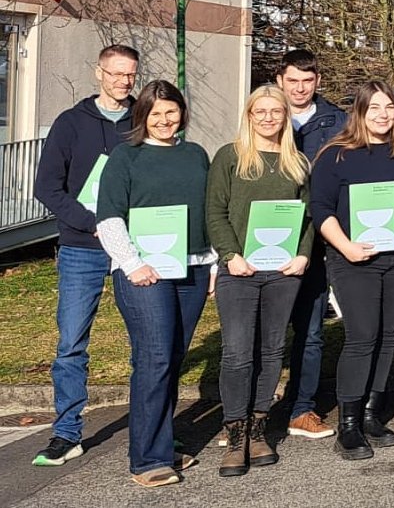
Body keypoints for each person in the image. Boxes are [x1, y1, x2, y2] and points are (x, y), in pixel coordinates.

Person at [94, 80, 213, 487]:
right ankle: (147, 460)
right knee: (155, 358)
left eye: (171, 111)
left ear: (182, 112)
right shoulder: (125, 157)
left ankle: (162, 443)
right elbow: (109, 217)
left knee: (172, 359)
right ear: (142, 116)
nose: (164, 120)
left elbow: (208, 211)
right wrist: (131, 263)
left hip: (193, 268)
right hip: (145, 272)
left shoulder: (195, 155)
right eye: (155, 113)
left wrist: (213, 262)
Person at [32, 44, 138, 467]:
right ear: (99, 73)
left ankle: (154, 429)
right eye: (116, 74)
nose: (123, 82)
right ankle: (66, 433)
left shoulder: (144, 119)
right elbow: (47, 187)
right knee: (71, 344)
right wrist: (93, 223)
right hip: (83, 246)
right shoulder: (71, 123)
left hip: (135, 247)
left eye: (130, 74)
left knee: (148, 343)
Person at [310, 82, 394, 460]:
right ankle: (349, 424)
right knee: (361, 337)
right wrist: (345, 246)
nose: (383, 115)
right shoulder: (336, 156)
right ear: (359, 111)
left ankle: (372, 414)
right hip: (354, 259)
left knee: (389, 336)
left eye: (389, 107)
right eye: (374, 107)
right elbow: (321, 209)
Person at [207, 85, 312, 476]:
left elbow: (308, 215)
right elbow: (215, 212)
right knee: (237, 351)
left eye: (276, 112)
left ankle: (257, 428)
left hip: (282, 272)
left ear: (286, 116)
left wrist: (303, 254)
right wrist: (230, 255)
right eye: (260, 112)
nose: (268, 118)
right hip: (240, 271)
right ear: (249, 115)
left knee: (272, 350)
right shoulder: (230, 157)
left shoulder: (297, 162)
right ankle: (235, 433)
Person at [275, 48, 345, 440]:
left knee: (311, 329)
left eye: (307, 81)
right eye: (292, 81)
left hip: (317, 237)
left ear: (317, 81)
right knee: (264, 331)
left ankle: (302, 408)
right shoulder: (264, 115)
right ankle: (252, 410)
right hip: (271, 235)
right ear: (280, 80)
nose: (300, 88)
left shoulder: (338, 121)